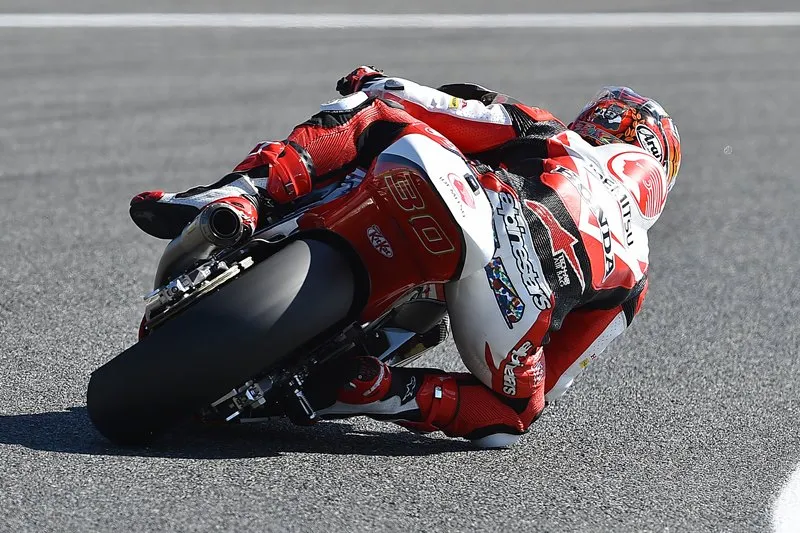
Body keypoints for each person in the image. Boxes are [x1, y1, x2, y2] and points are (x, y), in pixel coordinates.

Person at [130, 66, 681, 448]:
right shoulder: (637, 275)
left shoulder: (553, 132)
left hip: (492, 208)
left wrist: (371, 80)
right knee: (514, 415)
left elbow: (427, 105)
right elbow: (551, 383)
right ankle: (376, 388)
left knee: (372, 112)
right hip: (512, 311)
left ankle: (241, 196)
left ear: (606, 122)